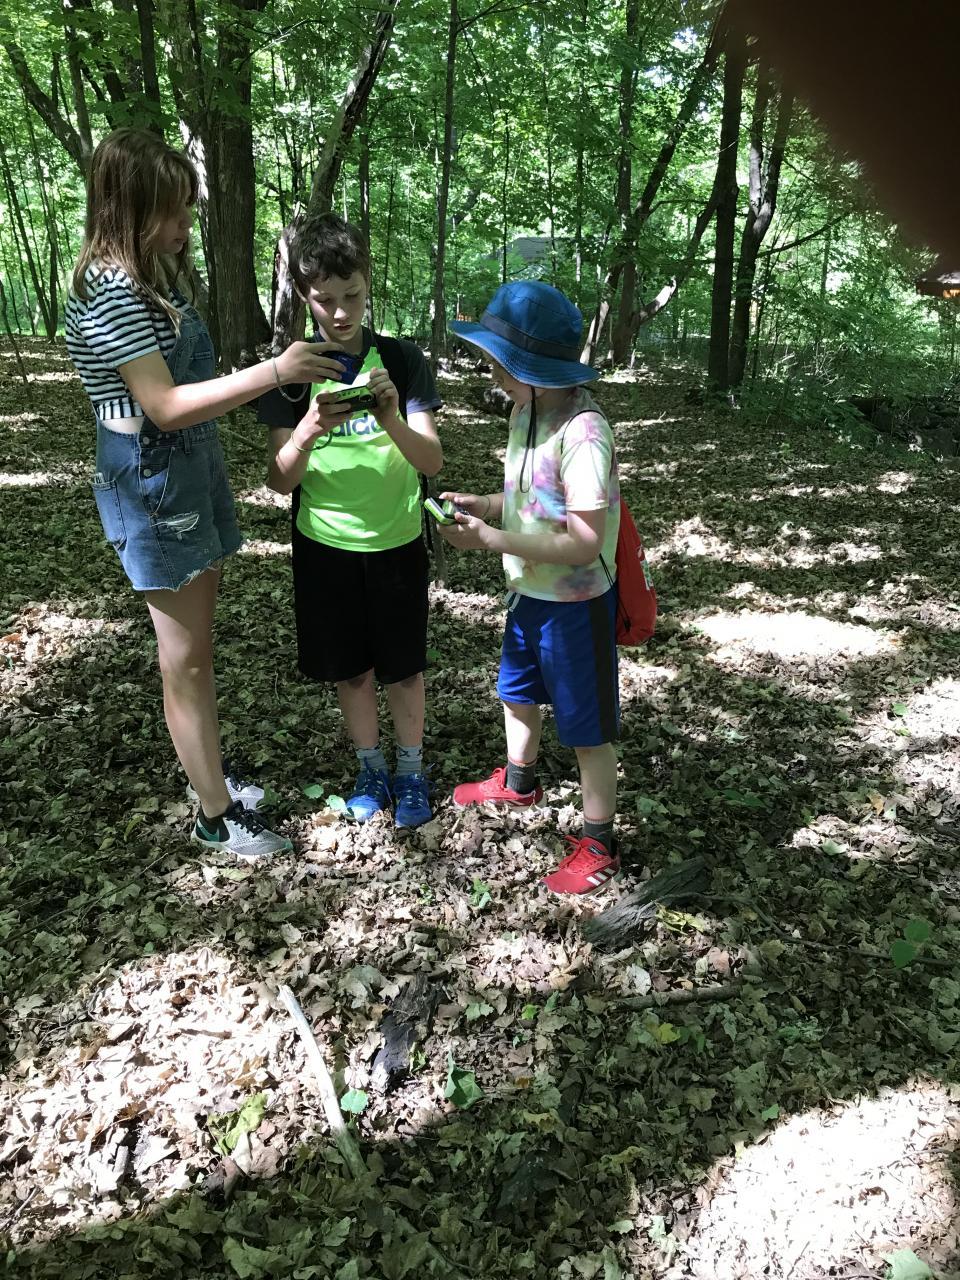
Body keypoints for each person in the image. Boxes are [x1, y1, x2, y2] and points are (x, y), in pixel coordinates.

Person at [66, 127, 337, 860]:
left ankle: (209, 778)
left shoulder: (153, 276)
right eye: (174, 209)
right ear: (130, 209)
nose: (186, 223)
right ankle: (215, 816)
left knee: (197, 652)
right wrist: (275, 373)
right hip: (153, 481)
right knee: (183, 659)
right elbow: (163, 406)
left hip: (188, 469)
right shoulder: (113, 291)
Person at [259, 213, 442, 828]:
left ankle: (411, 770)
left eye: (353, 296)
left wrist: (391, 417)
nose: (340, 313)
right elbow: (279, 480)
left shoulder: (402, 360)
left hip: (397, 542)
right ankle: (371, 768)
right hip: (324, 547)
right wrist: (310, 427)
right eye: (325, 299)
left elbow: (431, 460)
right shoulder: (290, 372)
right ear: (303, 295)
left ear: (368, 284)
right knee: (353, 670)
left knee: (403, 669)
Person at [441, 281, 622, 895]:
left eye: (502, 363)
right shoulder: (526, 412)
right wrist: (484, 504)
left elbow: (584, 541)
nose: (493, 374)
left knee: (587, 727)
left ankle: (599, 840)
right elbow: (529, 500)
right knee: (516, 694)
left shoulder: (584, 433)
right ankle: (519, 783)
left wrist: (493, 540)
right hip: (529, 595)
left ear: (538, 370)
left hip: (576, 604)